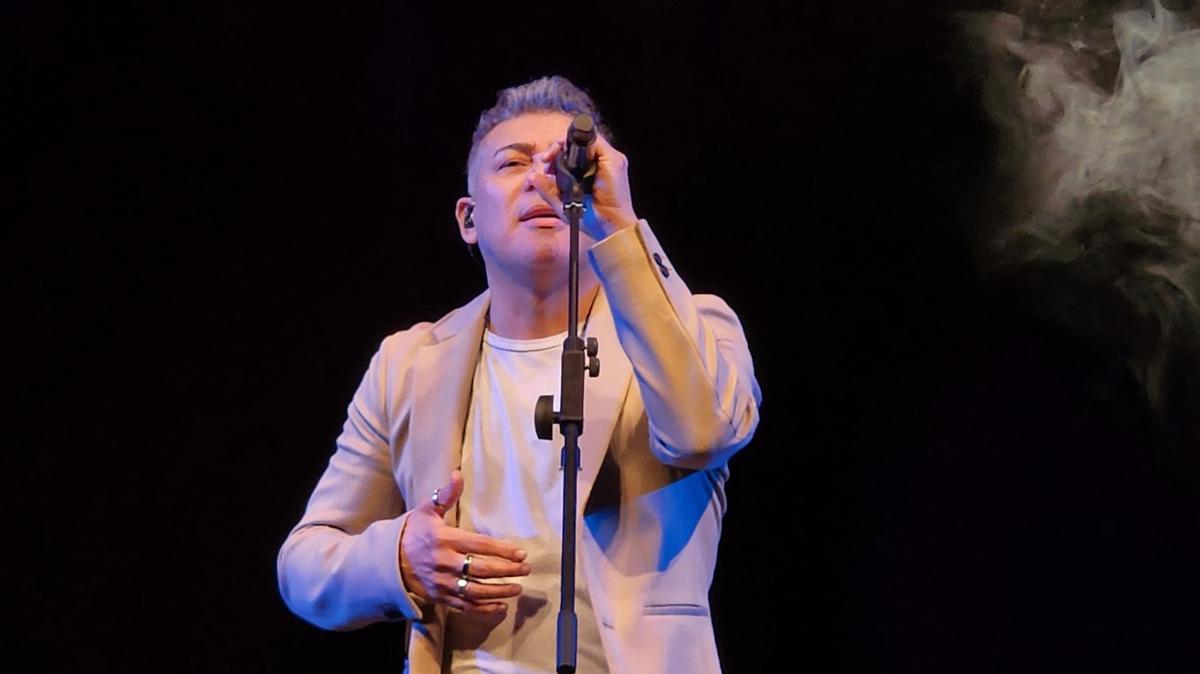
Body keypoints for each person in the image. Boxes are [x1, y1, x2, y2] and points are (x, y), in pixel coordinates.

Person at [277, 75, 762, 674]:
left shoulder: (694, 328)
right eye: (512, 163)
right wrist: (400, 554)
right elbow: (304, 565)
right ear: (468, 218)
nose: (542, 177)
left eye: (565, 164)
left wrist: (621, 224)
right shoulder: (409, 363)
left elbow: (703, 431)